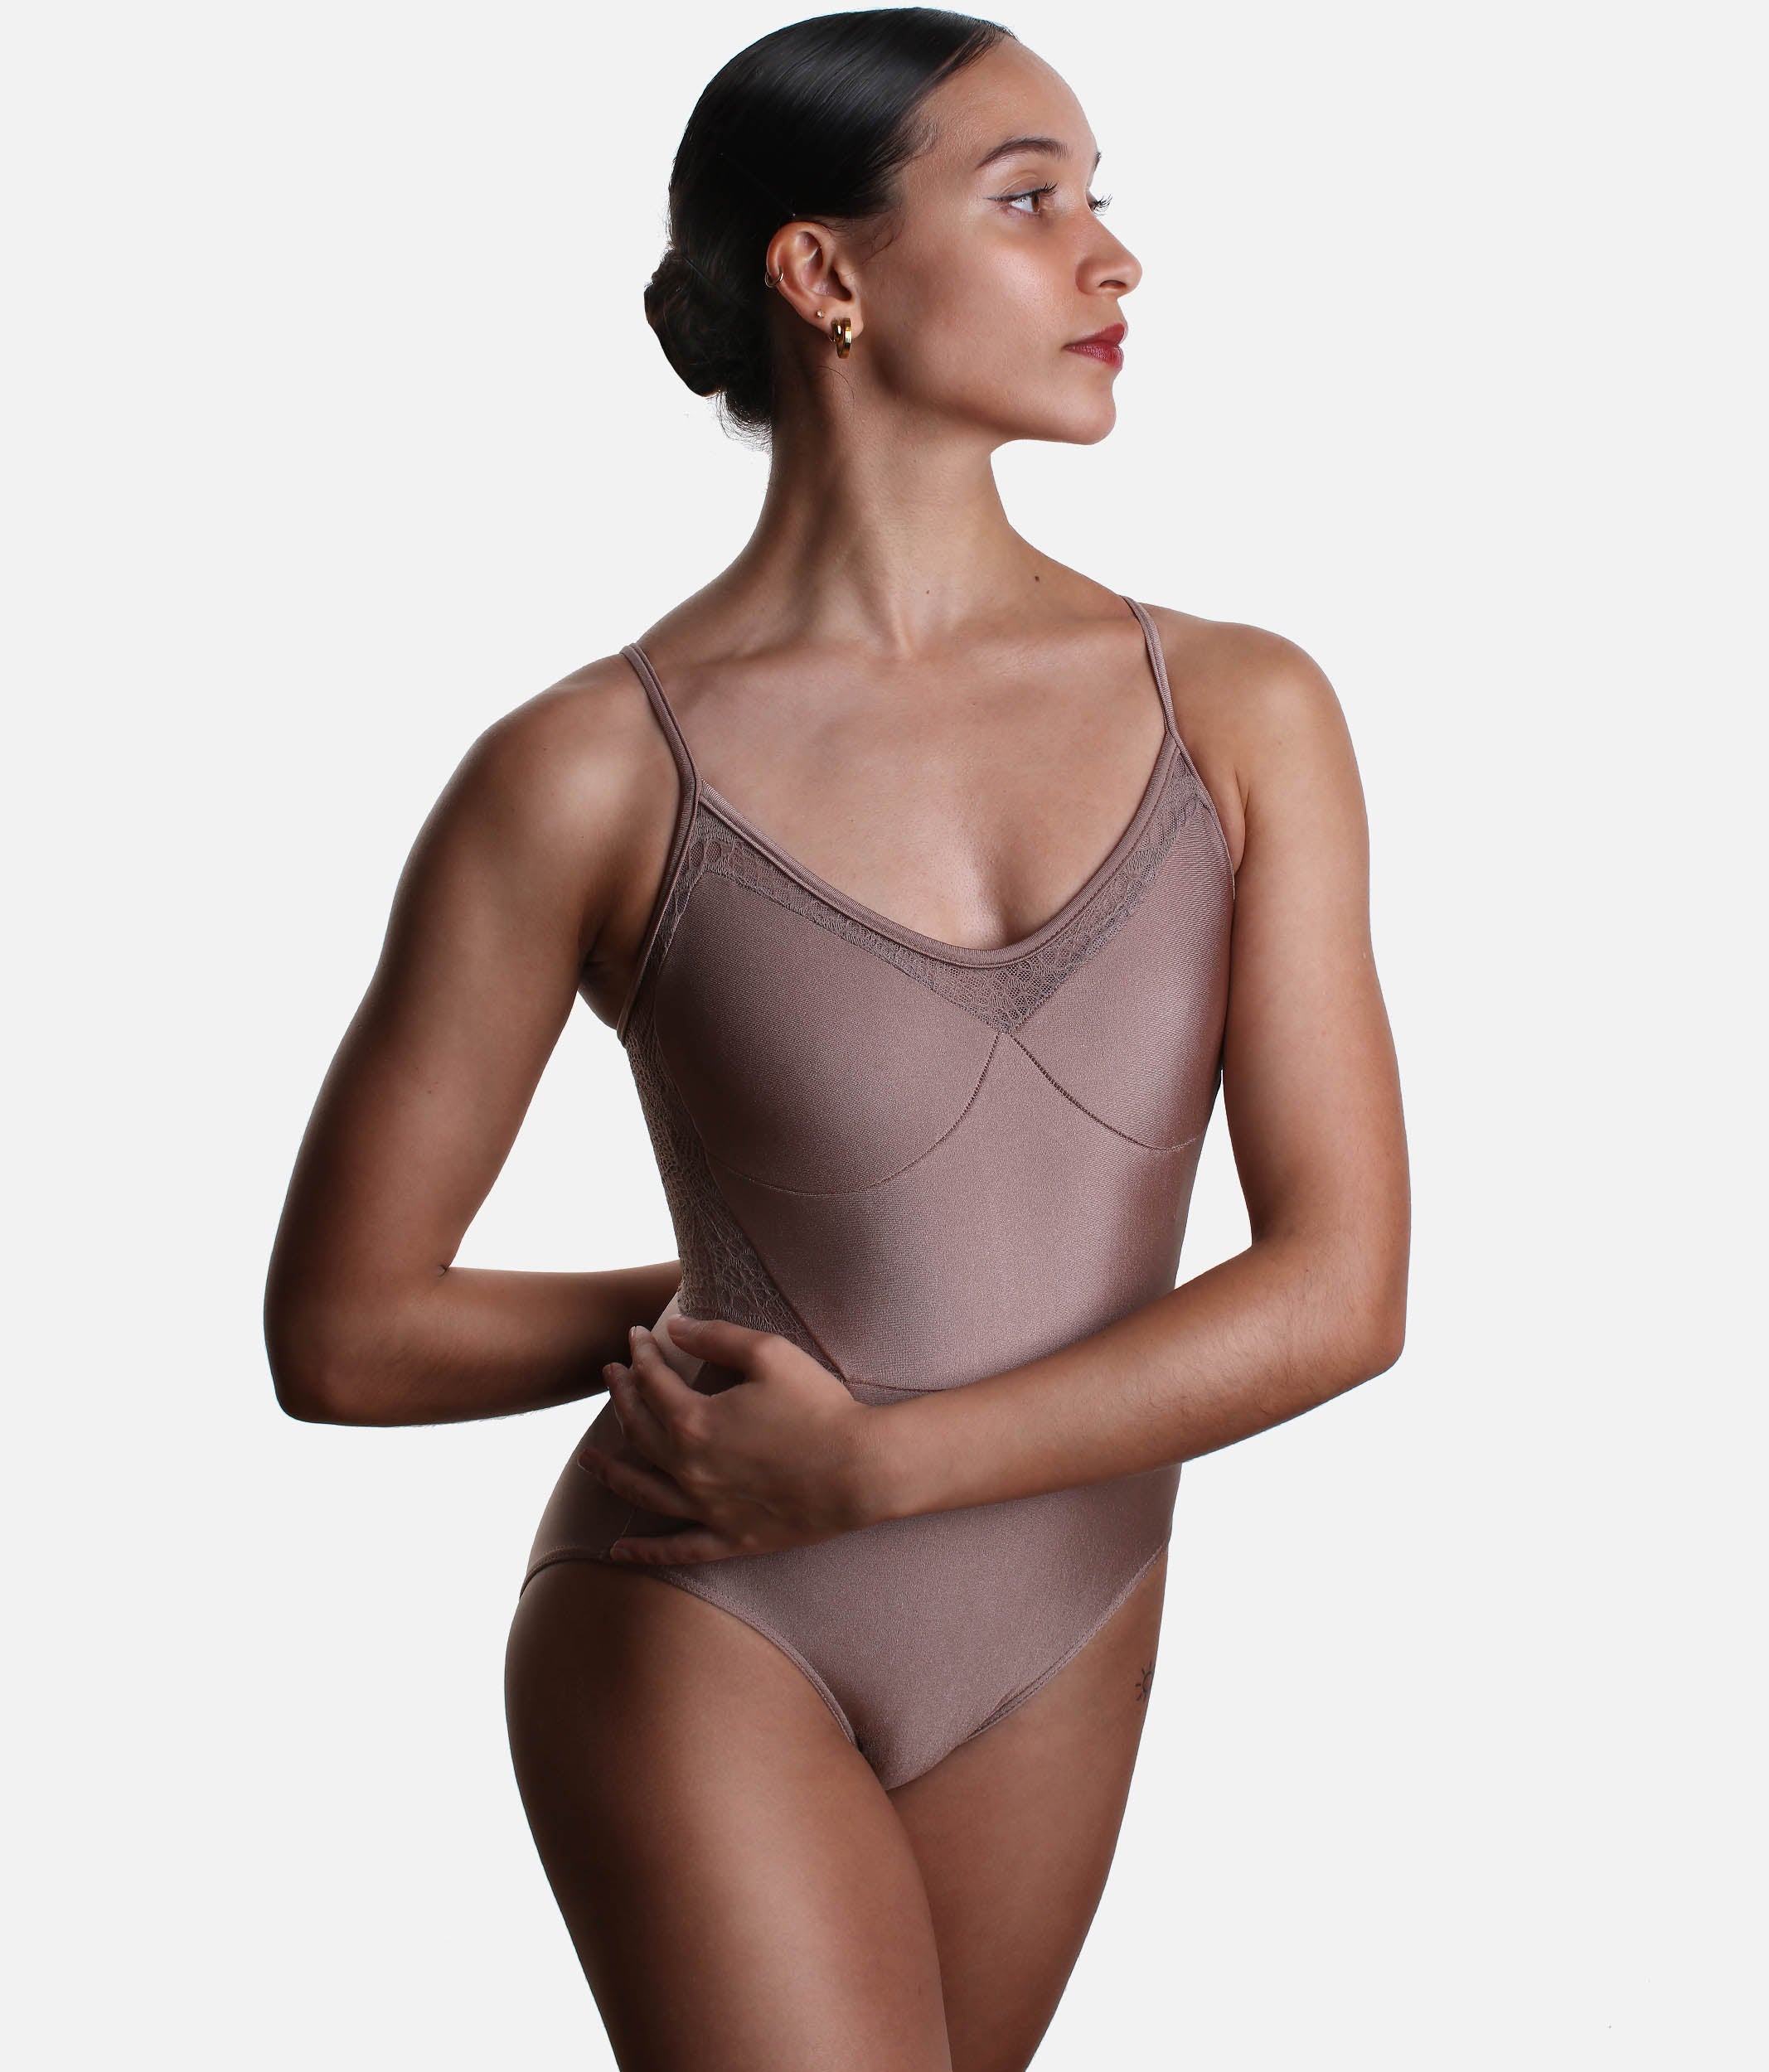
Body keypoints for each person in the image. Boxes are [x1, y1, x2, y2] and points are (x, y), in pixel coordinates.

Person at [264, 9, 1410, 2065]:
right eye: (1028, 200)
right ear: (823, 275)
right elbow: (344, 1334)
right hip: (712, 1608)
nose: (1112, 257)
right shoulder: (588, 772)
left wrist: (873, 1428)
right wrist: (738, 1330)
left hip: (1058, 1615)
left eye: (1098, 199)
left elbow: (1342, 1288)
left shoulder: (1245, 714)